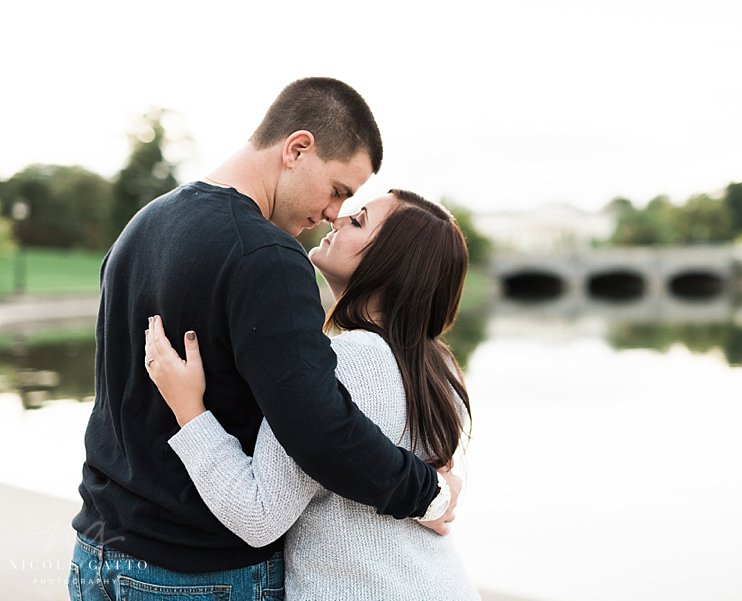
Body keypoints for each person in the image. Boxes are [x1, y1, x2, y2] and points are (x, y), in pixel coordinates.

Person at [69, 78, 458, 601]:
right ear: (297, 149)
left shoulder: (143, 225)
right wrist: (426, 492)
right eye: (339, 190)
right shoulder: (268, 257)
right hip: (197, 571)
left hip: (97, 552)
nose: (331, 212)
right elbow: (319, 427)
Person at [144, 189, 480, 600]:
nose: (336, 218)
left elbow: (258, 516)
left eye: (357, 221)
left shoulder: (350, 362)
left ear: (392, 264)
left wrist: (188, 409)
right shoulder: (441, 367)